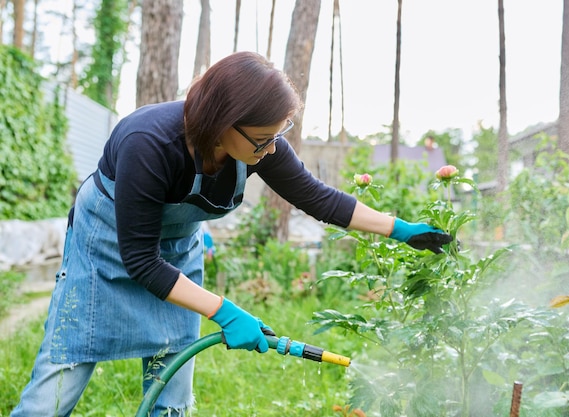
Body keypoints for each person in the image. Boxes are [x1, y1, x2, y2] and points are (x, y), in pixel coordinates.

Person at [10, 51, 452, 416]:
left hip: (177, 252)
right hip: (107, 246)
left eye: (278, 135)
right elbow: (141, 259)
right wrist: (224, 311)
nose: (272, 148)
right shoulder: (148, 143)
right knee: (64, 371)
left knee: (173, 388)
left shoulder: (260, 143)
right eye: (263, 139)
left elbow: (318, 198)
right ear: (223, 121)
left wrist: (401, 229)